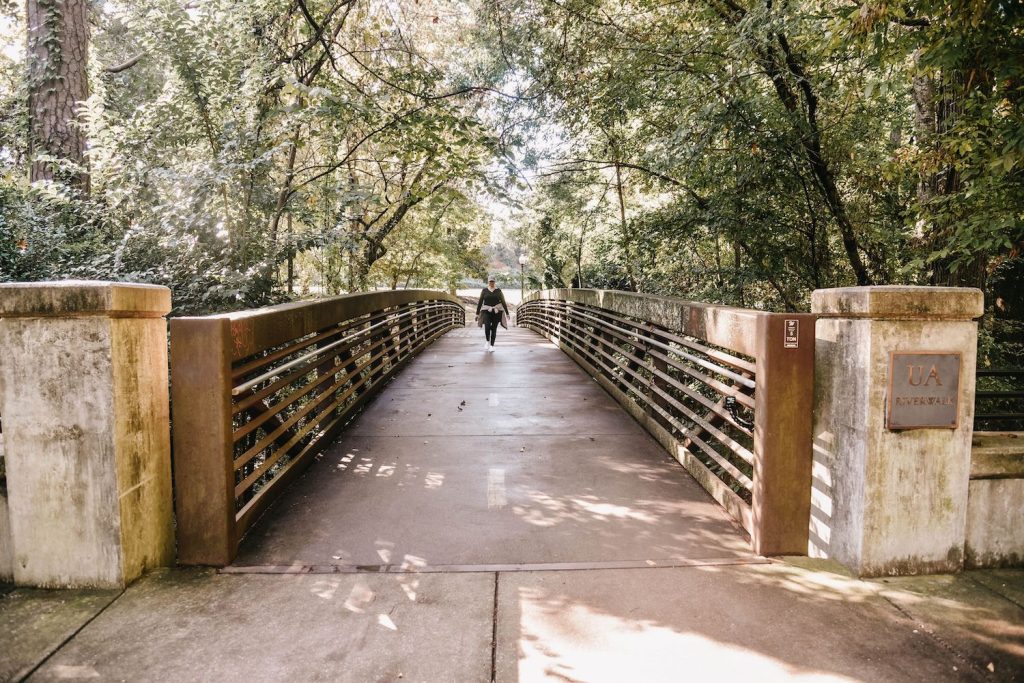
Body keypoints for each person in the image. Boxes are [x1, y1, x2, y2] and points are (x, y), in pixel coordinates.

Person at [475, 277, 509, 352]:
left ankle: (492, 345)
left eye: (493, 281)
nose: (491, 283)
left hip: (496, 312)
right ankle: (487, 341)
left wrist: (507, 313)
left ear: (494, 282)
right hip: (487, 311)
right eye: (490, 281)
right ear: (488, 282)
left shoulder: (498, 291)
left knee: (494, 329)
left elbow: (503, 302)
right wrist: (477, 314)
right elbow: (480, 302)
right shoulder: (484, 290)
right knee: (487, 326)